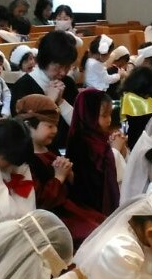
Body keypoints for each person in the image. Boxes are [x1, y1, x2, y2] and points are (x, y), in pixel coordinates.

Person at [17, 94, 105, 245]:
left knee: (104, 223)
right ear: (28, 125)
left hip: (71, 208)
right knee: (94, 233)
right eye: (49, 126)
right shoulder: (26, 160)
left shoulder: (51, 150)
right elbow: (40, 201)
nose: (55, 130)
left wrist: (69, 175)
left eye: (55, 125)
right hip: (54, 217)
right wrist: (59, 177)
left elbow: (73, 190)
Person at [65, 89, 123, 217]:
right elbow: (95, 178)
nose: (109, 120)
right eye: (104, 116)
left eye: (110, 115)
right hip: (92, 206)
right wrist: (115, 151)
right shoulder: (81, 141)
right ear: (88, 114)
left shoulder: (98, 136)